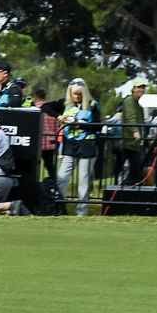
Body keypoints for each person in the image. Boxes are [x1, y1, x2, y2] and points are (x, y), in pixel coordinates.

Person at [57, 78, 99, 216]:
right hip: (70, 145)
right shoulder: (68, 106)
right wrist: (61, 118)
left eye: (79, 93)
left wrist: (79, 124)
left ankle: (82, 211)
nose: (76, 96)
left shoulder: (93, 105)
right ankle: (60, 207)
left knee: (83, 180)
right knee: (62, 177)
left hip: (87, 146)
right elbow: (46, 107)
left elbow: (98, 126)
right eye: (74, 93)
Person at [119, 77, 149, 185]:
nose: (141, 90)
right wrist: (135, 132)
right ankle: (120, 194)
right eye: (139, 87)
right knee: (133, 172)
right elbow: (131, 117)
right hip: (129, 142)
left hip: (135, 143)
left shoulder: (139, 106)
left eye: (143, 88)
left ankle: (126, 194)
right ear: (133, 89)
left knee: (136, 172)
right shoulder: (129, 101)